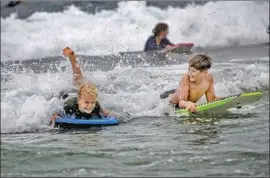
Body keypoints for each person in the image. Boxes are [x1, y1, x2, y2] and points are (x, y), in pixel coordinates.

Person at [49, 47, 108, 125]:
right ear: (78, 100)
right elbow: (56, 112)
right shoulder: (70, 105)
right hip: (66, 94)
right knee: (78, 79)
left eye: (92, 102)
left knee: (82, 84)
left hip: (81, 95)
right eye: (87, 102)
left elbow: (98, 105)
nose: (90, 106)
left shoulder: (95, 105)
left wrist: (104, 112)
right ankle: (72, 59)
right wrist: (54, 115)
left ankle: (74, 62)